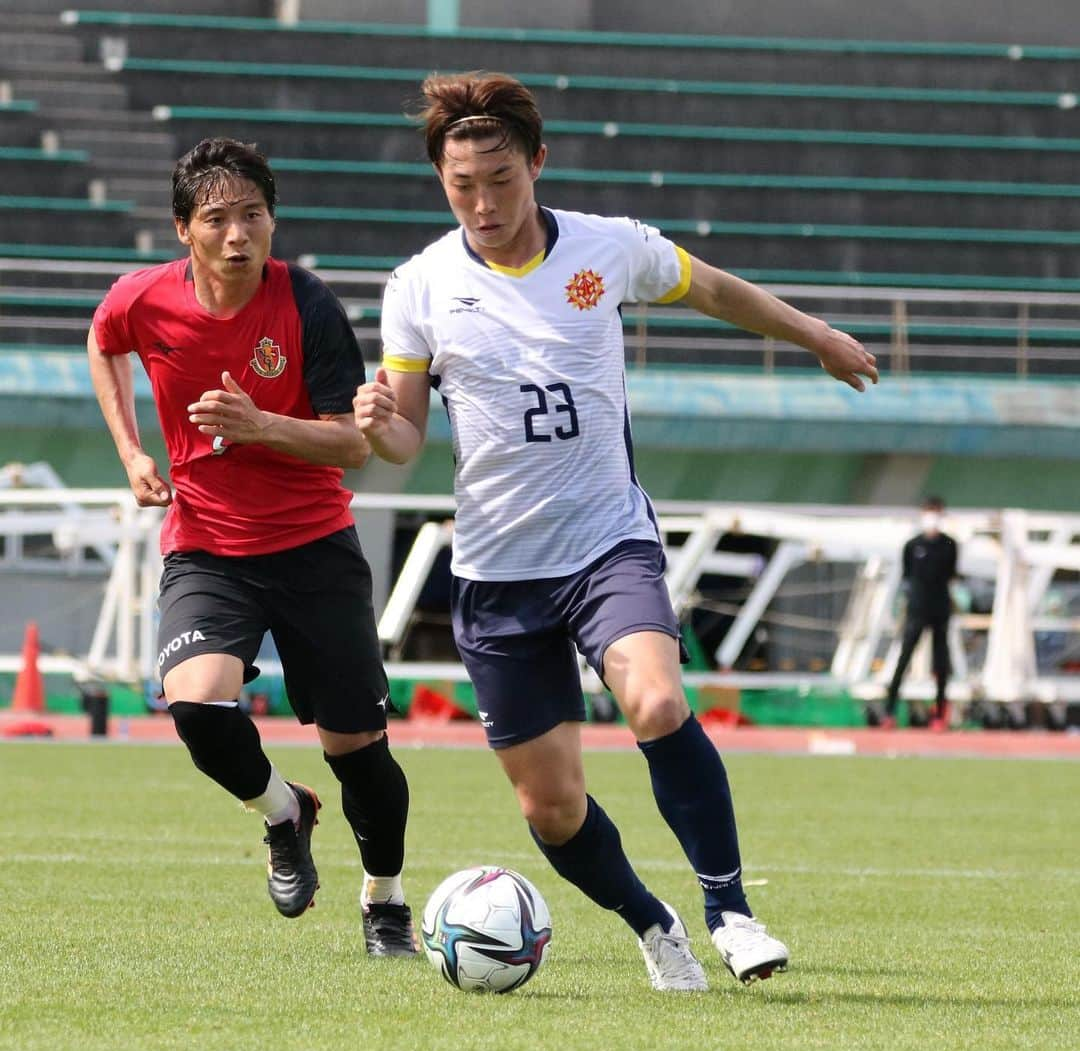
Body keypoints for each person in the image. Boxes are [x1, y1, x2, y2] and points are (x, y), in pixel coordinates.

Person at [353, 73, 878, 991]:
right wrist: (373, 421)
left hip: (606, 545)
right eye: (462, 185)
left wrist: (816, 335)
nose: (482, 202)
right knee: (552, 810)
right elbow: (401, 440)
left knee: (659, 705)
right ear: (440, 180)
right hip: (497, 572)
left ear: (538, 165)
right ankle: (655, 922)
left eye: (501, 179)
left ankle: (732, 913)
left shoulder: (609, 248)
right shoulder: (419, 287)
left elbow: (715, 291)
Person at [88, 137, 417, 957]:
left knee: (357, 751)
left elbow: (353, 447)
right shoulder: (145, 299)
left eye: (253, 216)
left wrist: (260, 426)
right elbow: (103, 341)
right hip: (206, 547)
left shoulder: (308, 306)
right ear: (183, 231)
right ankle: (282, 811)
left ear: (273, 222)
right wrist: (132, 452)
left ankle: (385, 903)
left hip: (314, 547)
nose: (238, 234)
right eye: (217, 219)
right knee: (196, 703)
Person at [881, 496, 959, 731]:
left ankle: (939, 714)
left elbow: (950, 575)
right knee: (904, 657)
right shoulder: (912, 545)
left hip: (940, 608)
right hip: (917, 608)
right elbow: (908, 576)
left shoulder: (949, 545)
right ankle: (889, 711)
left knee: (941, 662)